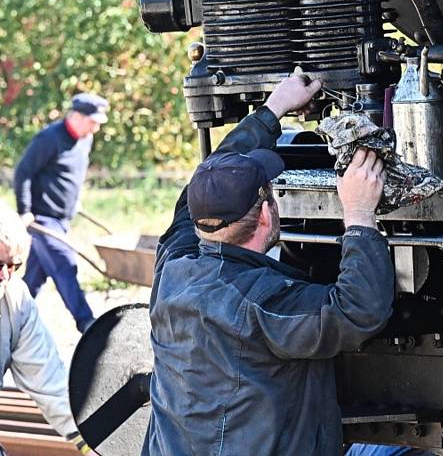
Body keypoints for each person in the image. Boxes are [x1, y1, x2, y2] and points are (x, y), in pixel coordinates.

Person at [144, 75, 395, 455]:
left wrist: (273, 109)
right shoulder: (262, 303)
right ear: (266, 214)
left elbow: (207, 175)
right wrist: (359, 214)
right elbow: (358, 310)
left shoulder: (173, 267)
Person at [0, 202, 93, 455]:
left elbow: (50, 385)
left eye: (14, 266)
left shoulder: (14, 301)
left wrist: (89, 446)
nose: (6, 277)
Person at [13, 93, 109, 333]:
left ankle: (13, 319)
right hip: (42, 220)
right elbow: (22, 173)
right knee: (65, 264)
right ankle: (88, 324)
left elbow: (68, 174)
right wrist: (25, 211)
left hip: (63, 219)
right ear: (76, 116)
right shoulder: (49, 139)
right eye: (92, 122)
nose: (96, 128)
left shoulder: (84, 139)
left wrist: (74, 201)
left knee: (34, 278)